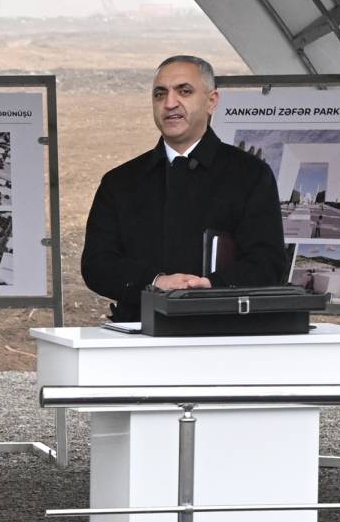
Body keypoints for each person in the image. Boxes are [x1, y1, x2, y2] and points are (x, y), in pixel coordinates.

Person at [81, 55, 288, 323]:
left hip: (225, 336)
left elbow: (268, 262)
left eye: (184, 91)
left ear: (211, 101)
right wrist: (155, 282)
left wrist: (211, 287)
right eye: (160, 94)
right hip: (139, 335)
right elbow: (97, 264)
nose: (169, 103)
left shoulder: (249, 175)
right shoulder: (120, 182)